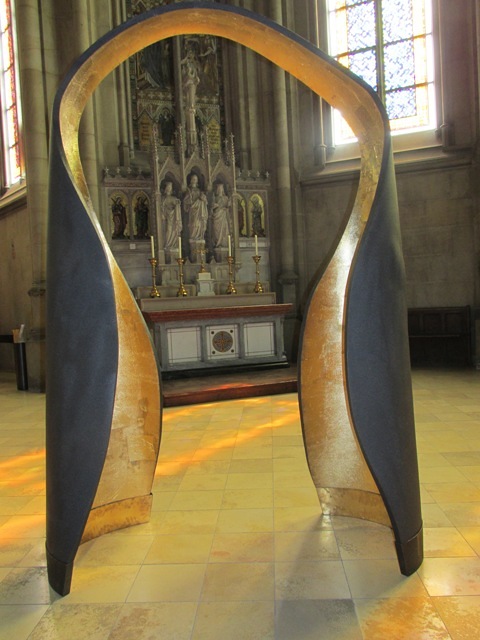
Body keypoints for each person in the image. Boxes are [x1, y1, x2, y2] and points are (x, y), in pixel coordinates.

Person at [184, 174, 208, 242]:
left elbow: (205, 201)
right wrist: (191, 202)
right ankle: (194, 237)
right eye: (193, 179)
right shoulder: (189, 191)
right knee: (194, 223)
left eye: (196, 179)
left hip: (200, 210)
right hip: (193, 210)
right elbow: (186, 201)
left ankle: (200, 236)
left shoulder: (199, 191)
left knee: (199, 224)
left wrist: (203, 200)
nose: (194, 180)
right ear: (191, 181)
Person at [161, 182, 182, 250]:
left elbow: (177, 204)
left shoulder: (174, 198)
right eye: (168, 187)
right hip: (166, 217)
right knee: (168, 230)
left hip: (173, 217)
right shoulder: (162, 198)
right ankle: (167, 244)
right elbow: (161, 207)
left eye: (170, 187)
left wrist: (177, 204)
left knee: (173, 230)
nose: (169, 189)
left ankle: (173, 244)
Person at [211, 183, 231, 249]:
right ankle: (217, 243)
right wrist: (214, 206)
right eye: (219, 188)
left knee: (224, 230)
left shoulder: (226, 198)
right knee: (216, 230)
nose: (220, 189)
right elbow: (212, 208)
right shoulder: (215, 198)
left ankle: (223, 243)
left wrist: (227, 206)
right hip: (217, 216)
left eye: (221, 188)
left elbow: (228, 208)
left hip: (223, 216)